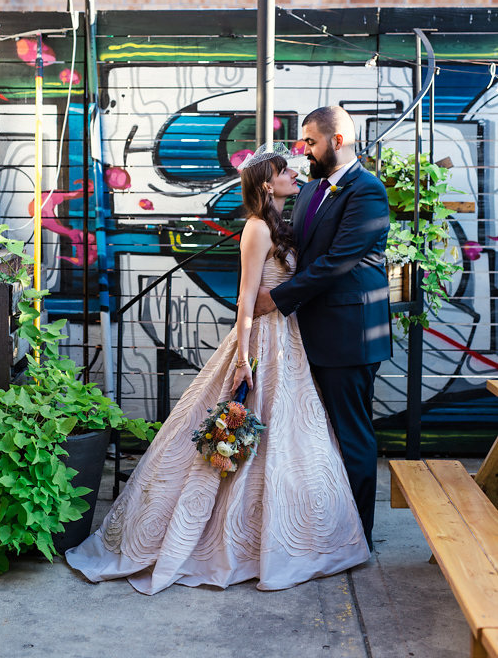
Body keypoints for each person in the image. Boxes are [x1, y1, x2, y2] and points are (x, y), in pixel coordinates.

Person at [65, 143, 370, 595]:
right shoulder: (256, 230)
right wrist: (244, 356)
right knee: (249, 430)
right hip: (263, 339)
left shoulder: (278, 224)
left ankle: (284, 534)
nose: (295, 176)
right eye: (286, 171)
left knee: (289, 438)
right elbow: (246, 298)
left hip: (289, 340)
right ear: (269, 183)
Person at [254, 107, 392, 549]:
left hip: (348, 334)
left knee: (350, 434)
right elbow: (300, 248)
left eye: (310, 141)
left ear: (337, 140)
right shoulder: (311, 188)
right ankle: (324, 528)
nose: (304, 150)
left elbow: (338, 262)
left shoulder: (367, 191)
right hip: (304, 334)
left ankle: (357, 538)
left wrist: (275, 297)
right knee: (319, 436)